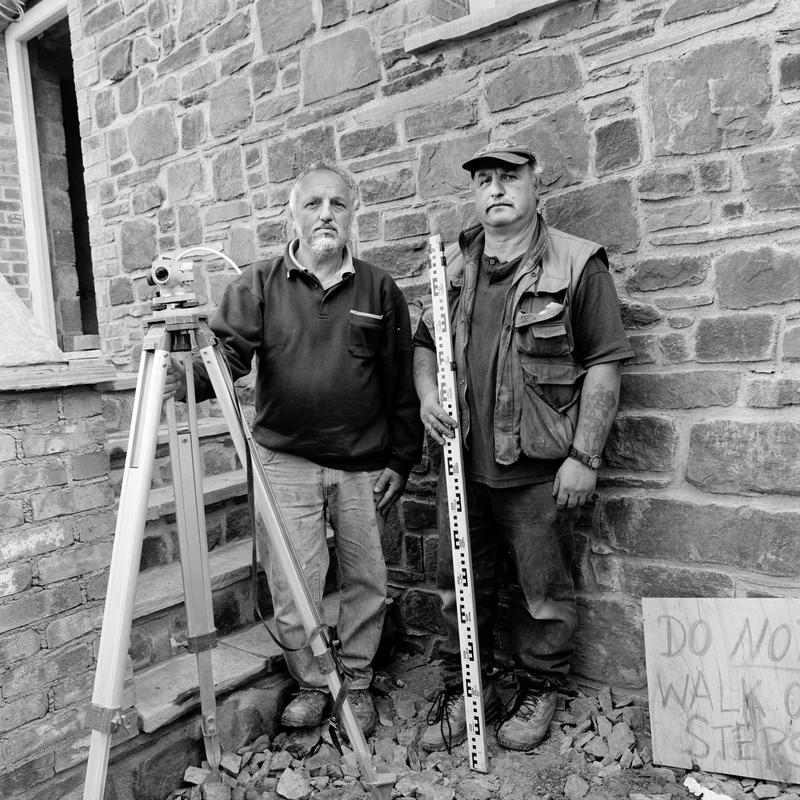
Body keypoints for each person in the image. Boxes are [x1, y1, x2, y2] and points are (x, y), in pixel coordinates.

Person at [164, 162, 423, 737]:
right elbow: (226, 354)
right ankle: (312, 682)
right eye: (313, 204)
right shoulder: (259, 283)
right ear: (293, 214)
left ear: (353, 214)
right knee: (294, 583)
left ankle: (353, 681)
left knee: (366, 579)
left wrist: (401, 459)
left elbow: (401, 381)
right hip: (286, 464)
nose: (326, 214)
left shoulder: (379, 288)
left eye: (337, 204)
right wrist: (182, 375)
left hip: (361, 464)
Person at [412, 139, 633, 752]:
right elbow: (425, 344)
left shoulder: (576, 263)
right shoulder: (452, 271)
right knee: (460, 585)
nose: (496, 189)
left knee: (543, 591)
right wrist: (428, 393)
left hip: (538, 471)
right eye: (483, 179)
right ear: (474, 193)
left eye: (508, 177)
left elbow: (605, 365)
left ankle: (540, 686)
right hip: (460, 468)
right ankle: (467, 688)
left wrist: (584, 458)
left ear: (536, 185)